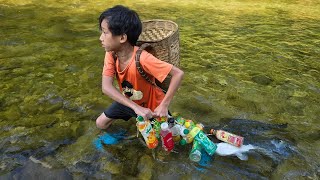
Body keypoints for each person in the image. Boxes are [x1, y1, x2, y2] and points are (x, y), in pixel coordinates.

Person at [95, 5, 184, 130]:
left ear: (122, 38)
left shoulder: (143, 58)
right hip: (130, 101)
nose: (101, 38)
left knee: (165, 138)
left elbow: (178, 74)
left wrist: (164, 105)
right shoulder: (111, 53)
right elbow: (106, 87)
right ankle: (123, 136)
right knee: (100, 123)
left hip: (152, 107)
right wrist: (136, 108)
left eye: (105, 33)